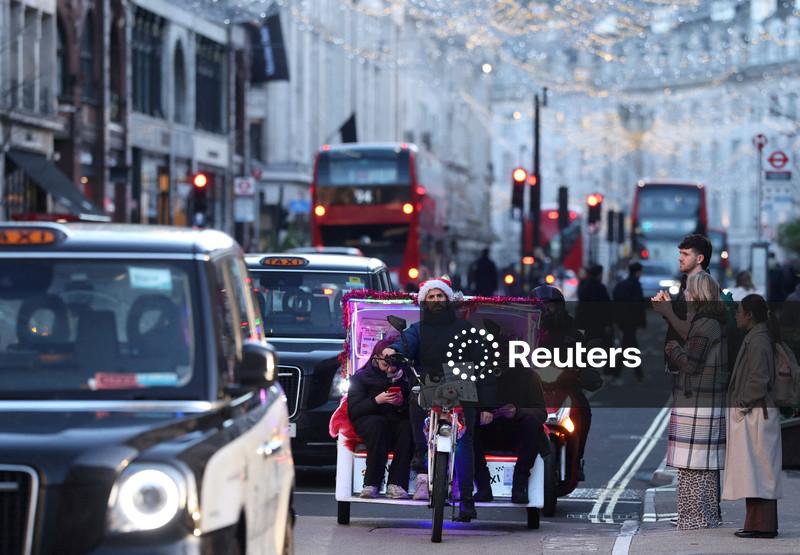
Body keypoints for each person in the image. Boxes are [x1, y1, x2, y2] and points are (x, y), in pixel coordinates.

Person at [382, 276, 479, 521]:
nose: (436, 300)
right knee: (416, 403)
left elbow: (480, 355)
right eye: (431, 296)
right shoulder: (417, 329)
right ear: (425, 302)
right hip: (428, 383)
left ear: (448, 299)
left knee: (464, 441)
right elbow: (405, 344)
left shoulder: (465, 328)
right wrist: (393, 351)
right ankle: (420, 458)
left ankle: (466, 501)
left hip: (460, 384)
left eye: (440, 295)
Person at [656, 272, 728, 530]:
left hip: (699, 405)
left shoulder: (705, 325)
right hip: (703, 402)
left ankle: (694, 518)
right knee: (701, 466)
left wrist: (673, 349)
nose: (685, 294)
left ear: (698, 294)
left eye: (688, 290)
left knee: (692, 466)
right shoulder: (710, 322)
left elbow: (691, 364)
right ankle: (702, 518)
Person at [722, 294, 783, 538]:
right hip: (757, 412)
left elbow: (759, 379)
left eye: (739, 312)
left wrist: (741, 404)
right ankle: (755, 524)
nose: (736, 316)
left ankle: (763, 526)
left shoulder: (758, 340)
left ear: (749, 315)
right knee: (755, 471)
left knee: (759, 471)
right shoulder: (757, 336)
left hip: (756, 413)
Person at [533, 284, 596, 481]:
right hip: (532, 384)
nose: (545, 309)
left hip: (565, 384)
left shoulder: (572, 329)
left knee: (583, 409)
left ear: (559, 306)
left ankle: (578, 458)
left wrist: (584, 369)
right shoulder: (527, 328)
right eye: (540, 305)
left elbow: (584, 354)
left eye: (550, 305)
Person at [472, 358, 549, 503]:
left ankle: (519, 485)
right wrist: (481, 412)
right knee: (467, 429)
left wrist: (517, 412)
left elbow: (541, 413)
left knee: (533, 425)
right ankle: (483, 486)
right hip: (486, 433)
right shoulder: (479, 374)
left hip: (517, 435)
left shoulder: (529, 376)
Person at [347, 337, 413, 499]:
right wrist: (377, 400)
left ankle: (397, 483)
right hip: (369, 420)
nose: (389, 369)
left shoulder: (406, 378)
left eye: (393, 366)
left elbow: (411, 410)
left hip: (395, 420)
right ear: (376, 358)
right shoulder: (361, 377)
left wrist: (401, 403)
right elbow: (354, 410)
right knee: (378, 425)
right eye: (385, 365)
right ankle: (371, 483)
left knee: (407, 428)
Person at [612, 262, 647, 381]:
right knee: (629, 346)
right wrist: (641, 323)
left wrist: (615, 319)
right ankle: (621, 372)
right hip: (631, 320)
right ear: (638, 272)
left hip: (622, 320)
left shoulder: (621, 285)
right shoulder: (635, 286)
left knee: (629, 345)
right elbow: (638, 306)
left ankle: (636, 373)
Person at [576, 264, 612, 346]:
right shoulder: (600, 288)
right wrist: (608, 323)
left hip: (584, 322)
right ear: (599, 275)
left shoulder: (583, 285)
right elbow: (606, 307)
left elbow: (581, 307)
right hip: (598, 323)